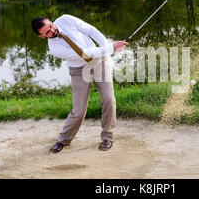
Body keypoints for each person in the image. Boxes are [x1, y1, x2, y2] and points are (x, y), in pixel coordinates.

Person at [31, 14, 128, 153]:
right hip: (78, 69)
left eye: (51, 26)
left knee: (108, 99)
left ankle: (107, 137)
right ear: (42, 36)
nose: (52, 31)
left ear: (51, 22)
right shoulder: (54, 48)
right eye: (47, 32)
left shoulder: (65, 19)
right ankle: (63, 140)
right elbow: (84, 54)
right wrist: (111, 48)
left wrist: (106, 46)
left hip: (100, 61)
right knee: (79, 110)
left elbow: (91, 30)